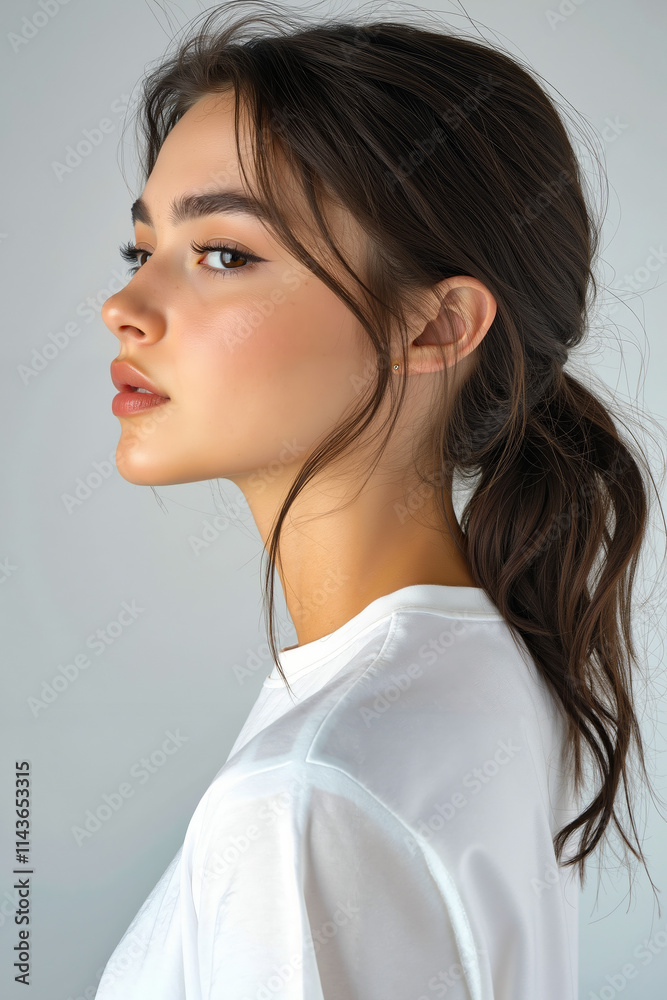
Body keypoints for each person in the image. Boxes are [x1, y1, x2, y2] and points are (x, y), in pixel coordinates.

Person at [95, 3, 660, 997]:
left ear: (435, 327)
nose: (124, 308)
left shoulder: (301, 793)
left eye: (223, 253)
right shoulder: (497, 664)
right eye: (142, 252)